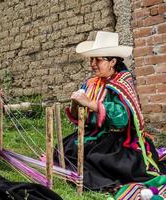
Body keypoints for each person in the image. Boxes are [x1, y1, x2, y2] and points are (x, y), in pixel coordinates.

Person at [54, 31, 166, 192]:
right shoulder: (91, 83)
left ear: (112, 61)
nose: (92, 64)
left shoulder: (122, 84)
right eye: (91, 59)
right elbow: (82, 118)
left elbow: (122, 119)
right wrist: (75, 103)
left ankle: (109, 185)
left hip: (119, 138)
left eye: (98, 59)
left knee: (100, 159)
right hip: (93, 134)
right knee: (65, 150)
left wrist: (90, 103)